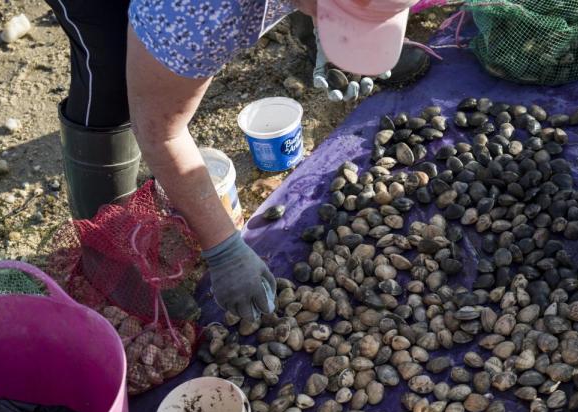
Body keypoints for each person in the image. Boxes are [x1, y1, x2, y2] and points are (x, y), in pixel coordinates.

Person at [44, 0, 420, 322]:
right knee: (111, 75)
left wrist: (334, 34)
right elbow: (161, 133)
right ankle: (108, 251)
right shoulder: (197, 16)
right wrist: (224, 250)